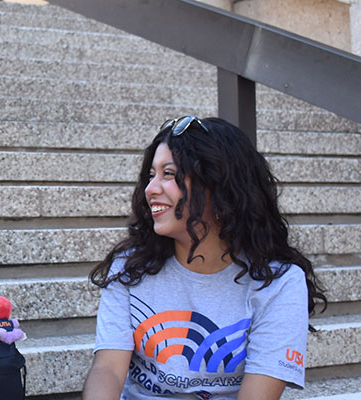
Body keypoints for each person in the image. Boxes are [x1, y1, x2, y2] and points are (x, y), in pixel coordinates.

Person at [82, 116, 327, 399]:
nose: (151, 189)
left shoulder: (279, 282)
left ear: (221, 188)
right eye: (151, 175)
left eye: (169, 174)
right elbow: (108, 370)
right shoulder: (130, 267)